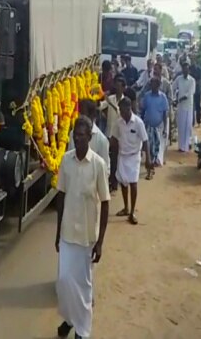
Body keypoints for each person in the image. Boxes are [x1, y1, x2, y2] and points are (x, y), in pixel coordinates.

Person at [55, 116, 110, 339]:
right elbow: (61, 195)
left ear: (89, 137)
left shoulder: (98, 164)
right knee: (64, 282)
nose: (78, 140)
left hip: (88, 237)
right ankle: (69, 319)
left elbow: (105, 202)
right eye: (75, 136)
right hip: (68, 234)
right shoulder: (66, 161)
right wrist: (57, 232)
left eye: (82, 136)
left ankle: (82, 330)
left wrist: (100, 243)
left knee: (84, 286)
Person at [112, 96, 150, 225]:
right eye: (120, 111)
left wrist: (148, 160)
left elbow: (145, 141)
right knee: (123, 183)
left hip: (134, 156)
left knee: (133, 183)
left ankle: (132, 211)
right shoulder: (118, 123)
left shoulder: (138, 123)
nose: (122, 114)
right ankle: (126, 207)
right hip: (122, 156)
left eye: (123, 111)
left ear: (129, 109)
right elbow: (114, 139)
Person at [68, 99, 110, 177]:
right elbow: (69, 159)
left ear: (92, 116)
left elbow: (105, 170)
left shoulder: (101, 140)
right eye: (79, 113)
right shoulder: (72, 134)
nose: (79, 117)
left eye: (83, 114)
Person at [100, 75, 126, 192]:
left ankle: (114, 183)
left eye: (120, 87)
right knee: (107, 158)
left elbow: (120, 113)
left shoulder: (125, 102)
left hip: (119, 137)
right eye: (117, 86)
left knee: (116, 159)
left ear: (123, 88)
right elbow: (101, 106)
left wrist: (111, 104)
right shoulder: (110, 98)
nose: (118, 88)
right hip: (109, 134)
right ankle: (108, 181)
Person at [140, 78, 169, 176]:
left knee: (155, 147)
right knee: (149, 146)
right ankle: (150, 168)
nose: (153, 86)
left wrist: (165, 128)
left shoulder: (163, 97)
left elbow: (165, 113)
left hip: (158, 127)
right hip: (148, 126)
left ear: (158, 85)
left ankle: (152, 164)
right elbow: (143, 110)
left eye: (155, 84)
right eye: (151, 84)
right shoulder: (147, 96)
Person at [172, 62, 196, 153]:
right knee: (181, 126)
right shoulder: (179, 79)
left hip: (188, 106)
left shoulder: (192, 81)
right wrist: (173, 97)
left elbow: (188, 94)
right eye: (184, 69)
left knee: (188, 126)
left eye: (187, 69)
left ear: (188, 70)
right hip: (181, 106)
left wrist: (178, 100)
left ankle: (186, 146)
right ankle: (181, 146)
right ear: (182, 70)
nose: (185, 71)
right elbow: (173, 87)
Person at [190, 56, 201, 126]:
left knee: (198, 106)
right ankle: (192, 122)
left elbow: (200, 79)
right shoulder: (189, 69)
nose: (192, 61)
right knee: (191, 106)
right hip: (191, 91)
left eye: (193, 60)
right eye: (191, 60)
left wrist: (193, 83)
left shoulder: (199, 69)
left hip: (197, 90)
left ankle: (199, 121)